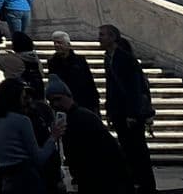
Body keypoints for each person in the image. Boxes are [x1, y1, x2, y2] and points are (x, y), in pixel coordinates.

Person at [45, 74, 130, 194]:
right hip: (94, 175)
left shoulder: (82, 118)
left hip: (100, 175)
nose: (55, 104)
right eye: (51, 101)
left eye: (58, 99)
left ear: (68, 97)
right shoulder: (77, 117)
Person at [100, 24, 157, 194]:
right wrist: (110, 111)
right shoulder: (108, 58)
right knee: (127, 147)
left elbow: (134, 88)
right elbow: (110, 87)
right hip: (118, 111)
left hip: (130, 113)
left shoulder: (125, 59)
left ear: (113, 38)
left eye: (102, 35)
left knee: (137, 148)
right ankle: (135, 180)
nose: (99, 38)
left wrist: (132, 113)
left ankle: (146, 184)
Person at [0, 76, 63, 194]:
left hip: (5, 176)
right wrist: (53, 137)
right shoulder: (22, 120)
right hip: (27, 178)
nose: (26, 101)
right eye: (23, 97)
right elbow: (39, 158)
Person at [48, 31, 99, 112]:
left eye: (59, 43)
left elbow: (89, 81)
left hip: (81, 100)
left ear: (68, 44)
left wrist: (95, 103)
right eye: (54, 43)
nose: (56, 45)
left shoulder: (80, 60)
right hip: (63, 103)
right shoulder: (52, 62)